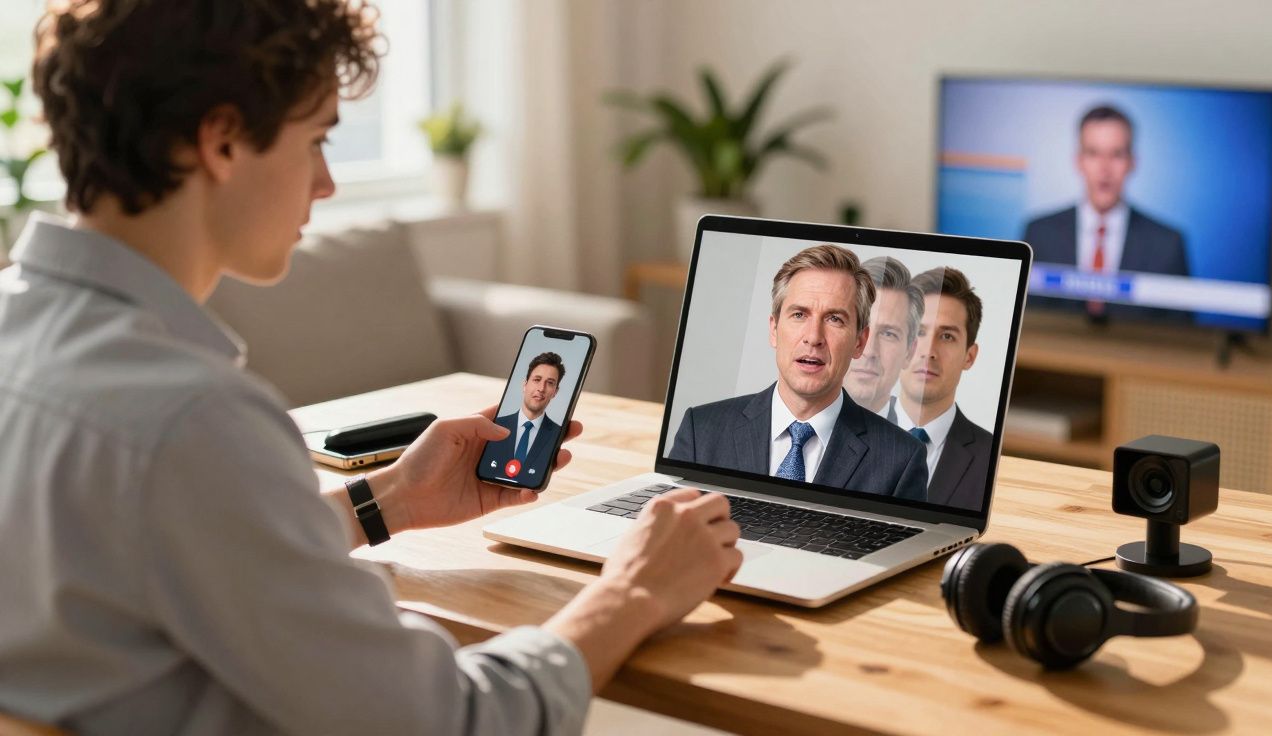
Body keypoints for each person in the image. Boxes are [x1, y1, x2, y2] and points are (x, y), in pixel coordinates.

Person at [0, 2, 742, 734]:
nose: (325, 183)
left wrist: (388, 499)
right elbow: (453, 721)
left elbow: (181, 549)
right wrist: (633, 592)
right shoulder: (193, 420)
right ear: (222, 140)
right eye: (317, 139)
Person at [670, 245, 927, 502]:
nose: (814, 337)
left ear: (859, 341)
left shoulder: (901, 460)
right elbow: (669, 533)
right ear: (774, 329)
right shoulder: (701, 431)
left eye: (834, 319)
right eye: (799, 314)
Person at [1022, 104, 1190, 322]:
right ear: (1079, 161)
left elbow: (1183, 339)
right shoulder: (1039, 234)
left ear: (1132, 163)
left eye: (1116, 154)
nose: (1104, 168)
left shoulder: (1168, 244)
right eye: (1093, 153)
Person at [897, 267, 994, 511]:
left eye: (947, 336)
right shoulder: (843, 432)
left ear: (969, 357)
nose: (929, 350)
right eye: (919, 332)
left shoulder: (991, 458)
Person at [843, 256, 924, 427]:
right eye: (859, 326)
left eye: (888, 334)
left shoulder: (917, 448)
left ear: (909, 352)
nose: (869, 350)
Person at [485, 352, 567, 480]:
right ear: (525, 384)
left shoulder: (557, 433)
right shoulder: (496, 425)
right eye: (537, 380)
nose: (541, 388)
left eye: (550, 383)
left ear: (555, 392)